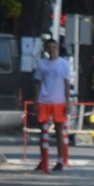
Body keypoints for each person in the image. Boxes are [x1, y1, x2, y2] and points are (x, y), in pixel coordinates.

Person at [33, 39, 72, 172]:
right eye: (49, 47)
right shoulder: (42, 64)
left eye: (53, 47)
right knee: (43, 131)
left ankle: (60, 160)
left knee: (59, 131)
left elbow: (67, 84)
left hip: (59, 101)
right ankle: (43, 159)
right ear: (45, 48)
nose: (51, 49)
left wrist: (67, 102)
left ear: (57, 48)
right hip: (44, 100)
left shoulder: (64, 64)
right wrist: (36, 101)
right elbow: (37, 83)